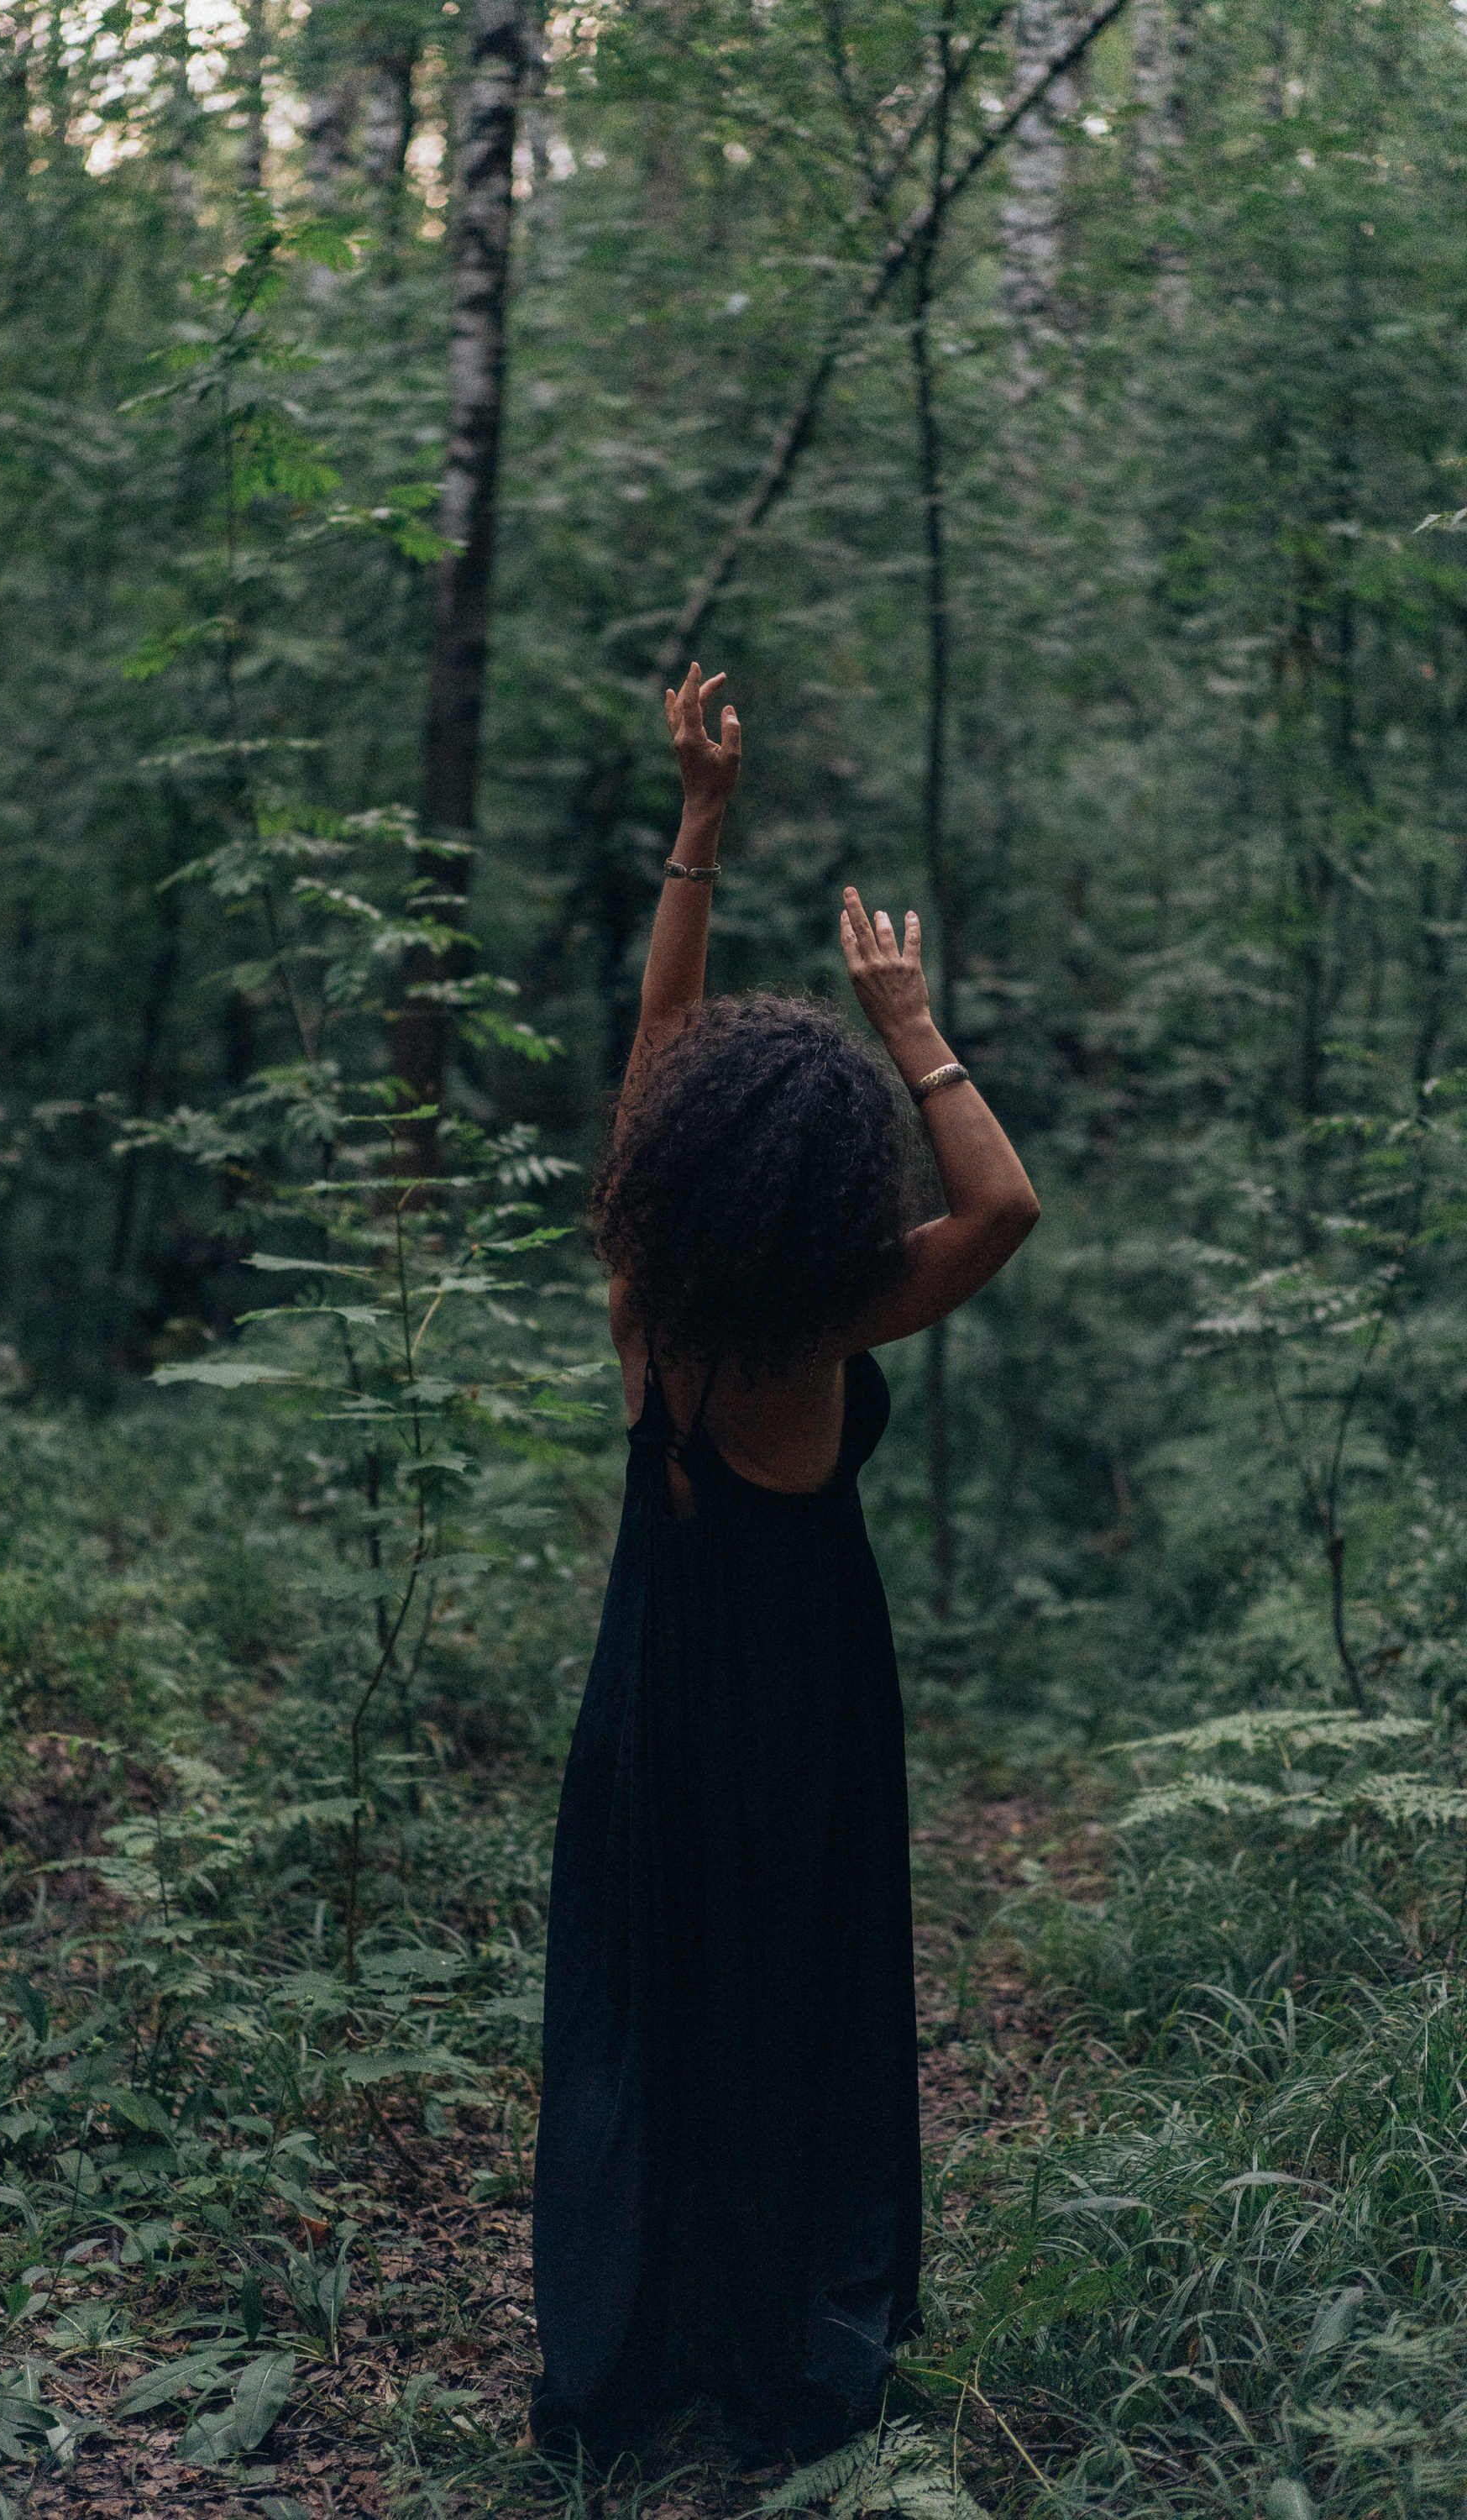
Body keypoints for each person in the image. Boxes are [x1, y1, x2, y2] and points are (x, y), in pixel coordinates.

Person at [529, 664, 1040, 2467]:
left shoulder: (641, 1290)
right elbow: (1001, 1209)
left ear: (674, 1174)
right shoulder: (828, 1319)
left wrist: (701, 818)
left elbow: (661, 1066)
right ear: (825, 1189)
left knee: (642, 2004)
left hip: (650, 1691)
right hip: (806, 1701)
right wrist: (907, 1021)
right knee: (795, 2009)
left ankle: (625, 2358)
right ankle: (790, 2360)